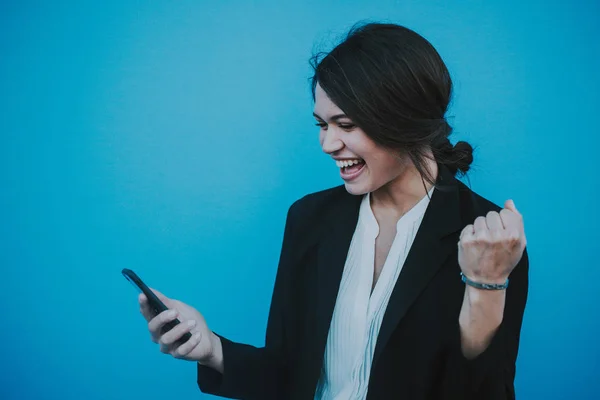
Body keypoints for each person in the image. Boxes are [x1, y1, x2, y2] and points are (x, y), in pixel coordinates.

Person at [138, 22, 529, 400]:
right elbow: (288, 376)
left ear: (405, 121)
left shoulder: (489, 243)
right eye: (321, 124)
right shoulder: (309, 219)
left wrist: (486, 285)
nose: (327, 143)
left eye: (344, 124)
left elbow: (485, 391)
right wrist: (210, 349)